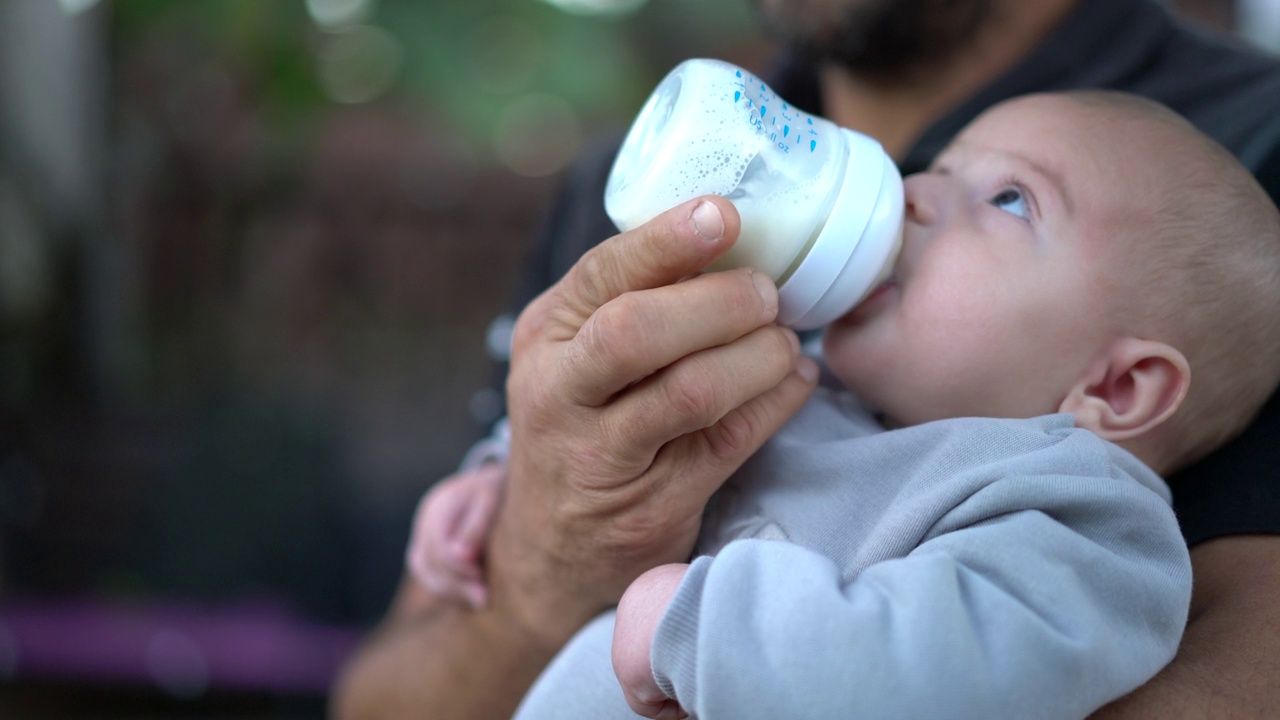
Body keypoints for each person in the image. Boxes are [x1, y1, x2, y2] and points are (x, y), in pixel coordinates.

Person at [331, 1, 1280, 717]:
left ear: (1117, 387)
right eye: (939, 169)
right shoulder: (819, 387)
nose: (911, 195)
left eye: (1009, 202)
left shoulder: (1069, 522)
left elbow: (930, 672)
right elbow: (376, 694)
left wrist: (695, 616)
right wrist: (506, 508)